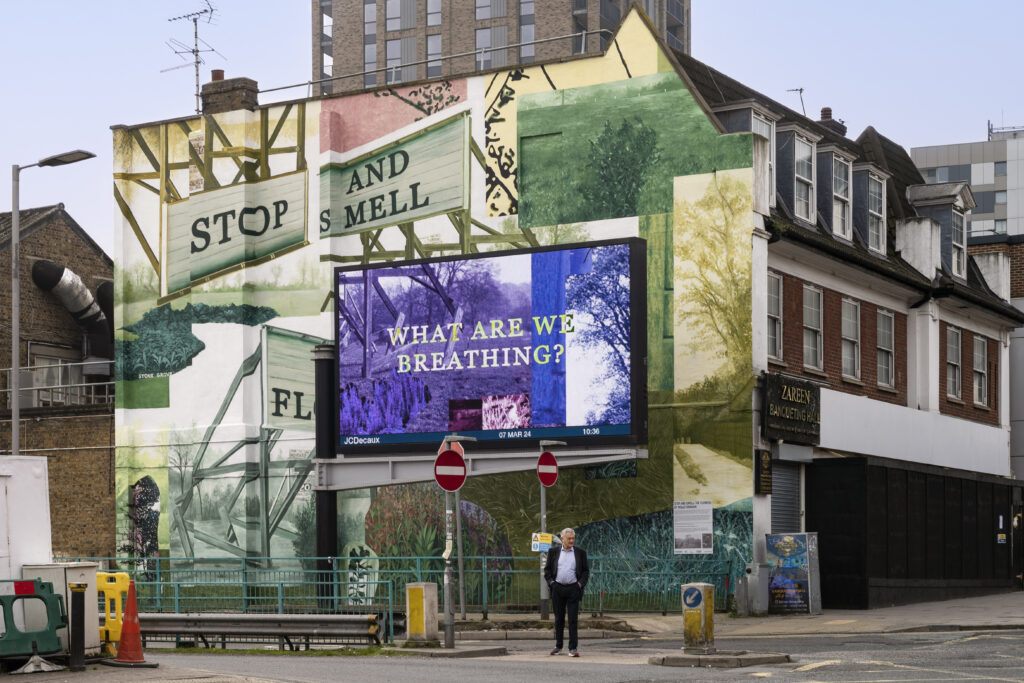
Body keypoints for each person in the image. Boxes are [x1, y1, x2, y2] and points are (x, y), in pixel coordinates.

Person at [544, 527, 589, 657]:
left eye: (573, 538)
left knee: (573, 619)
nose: (571, 540)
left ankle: (573, 648)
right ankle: (558, 646)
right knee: (559, 619)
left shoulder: (580, 552)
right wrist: (552, 583)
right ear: (562, 538)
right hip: (557, 588)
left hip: (573, 589)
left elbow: (585, 571)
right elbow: (547, 571)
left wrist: (580, 584)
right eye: (569, 538)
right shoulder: (553, 552)